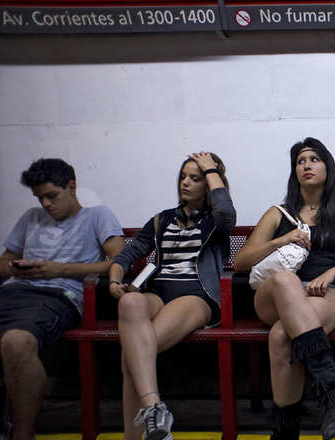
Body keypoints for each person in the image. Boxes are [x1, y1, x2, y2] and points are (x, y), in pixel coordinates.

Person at [233, 138, 335, 440]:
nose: (307, 165)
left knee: (281, 336)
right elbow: (241, 261)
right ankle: (334, 390)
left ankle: (285, 431)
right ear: (294, 171)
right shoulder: (278, 213)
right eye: (300, 161)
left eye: (314, 159)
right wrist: (280, 240)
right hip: (275, 295)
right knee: (285, 279)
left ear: (327, 166)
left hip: (326, 292)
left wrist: (333, 272)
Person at [0, 158, 125, 440]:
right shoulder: (31, 217)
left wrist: (60, 269)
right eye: (40, 197)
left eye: (52, 196)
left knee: (17, 341)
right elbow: (1, 265)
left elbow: (120, 260)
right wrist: (19, 267)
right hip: (11, 290)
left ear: (71, 187)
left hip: (58, 294)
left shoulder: (97, 216)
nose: (46, 204)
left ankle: (21, 434)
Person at [109, 152, 236, 440]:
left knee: (133, 354)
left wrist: (211, 168)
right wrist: (115, 280)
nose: (186, 183)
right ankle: (155, 410)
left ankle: (135, 434)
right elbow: (127, 254)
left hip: (195, 295)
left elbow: (227, 212)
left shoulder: (215, 222)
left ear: (210, 183)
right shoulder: (162, 220)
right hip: (158, 292)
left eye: (196, 178)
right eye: (183, 177)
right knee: (129, 302)